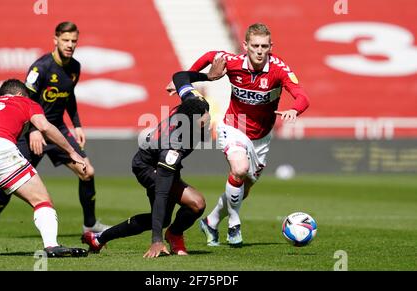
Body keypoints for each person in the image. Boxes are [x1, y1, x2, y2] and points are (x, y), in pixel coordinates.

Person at [166, 23, 310, 247]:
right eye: (255, 46)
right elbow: (209, 56)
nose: (260, 51)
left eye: (264, 46)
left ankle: (211, 222)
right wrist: (188, 80)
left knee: (243, 189)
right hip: (233, 126)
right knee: (239, 169)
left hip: (261, 137)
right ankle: (234, 223)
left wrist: (294, 109)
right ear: (245, 46)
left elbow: (302, 96)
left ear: (271, 46)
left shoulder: (279, 70)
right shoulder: (232, 62)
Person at [0, 21, 110, 240]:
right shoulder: (40, 68)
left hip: (57, 130)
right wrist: (33, 130)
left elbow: (69, 97)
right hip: (33, 129)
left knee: (87, 171)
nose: (70, 45)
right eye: (66, 40)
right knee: (12, 178)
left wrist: (76, 124)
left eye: (74, 41)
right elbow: (24, 101)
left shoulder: (75, 67)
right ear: (55, 40)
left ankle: (90, 225)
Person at [81, 66, 225, 258]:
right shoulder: (174, 147)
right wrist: (156, 241)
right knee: (195, 204)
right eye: (203, 122)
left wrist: (208, 76)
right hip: (148, 166)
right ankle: (170, 235)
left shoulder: (195, 101)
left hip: (159, 160)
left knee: (168, 216)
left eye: (207, 117)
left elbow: (179, 76)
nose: (207, 121)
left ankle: (99, 238)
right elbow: (162, 193)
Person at [0, 79, 88, 257]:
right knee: (41, 200)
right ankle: (51, 245)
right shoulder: (25, 101)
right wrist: (71, 152)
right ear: (20, 94)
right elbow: (45, 127)